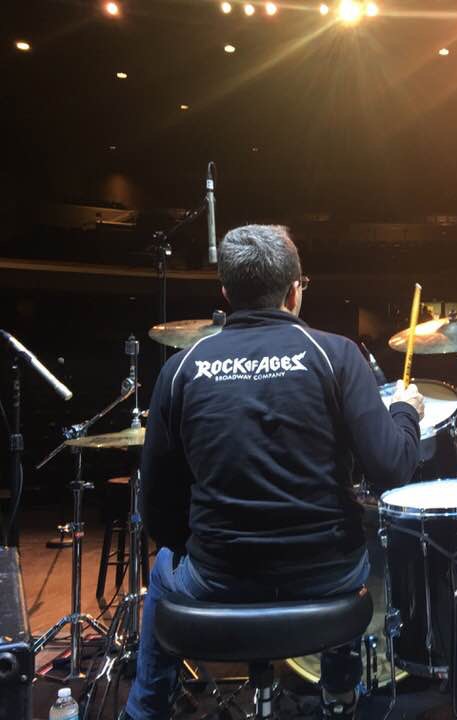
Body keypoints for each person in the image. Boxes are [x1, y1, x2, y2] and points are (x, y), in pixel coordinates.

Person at [123, 224, 424, 720]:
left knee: (163, 569)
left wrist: (204, 549)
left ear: (226, 293)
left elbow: (158, 510)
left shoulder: (182, 369)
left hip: (220, 577)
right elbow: (392, 469)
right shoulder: (337, 355)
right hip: (327, 576)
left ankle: (145, 709)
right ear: (294, 291)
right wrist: (406, 412)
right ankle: (339, 694)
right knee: (358, 548)